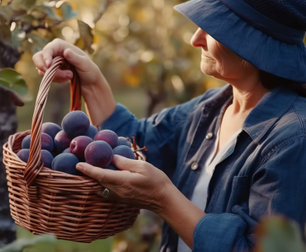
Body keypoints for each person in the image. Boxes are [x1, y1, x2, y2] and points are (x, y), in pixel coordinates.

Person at [32, 0, 306, 251]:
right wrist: (90, 79)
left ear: (252, 45)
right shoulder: (211, 107)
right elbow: (134, 144)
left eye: (213, 30)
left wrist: (164, 199)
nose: (195, 39)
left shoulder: (293, 141)